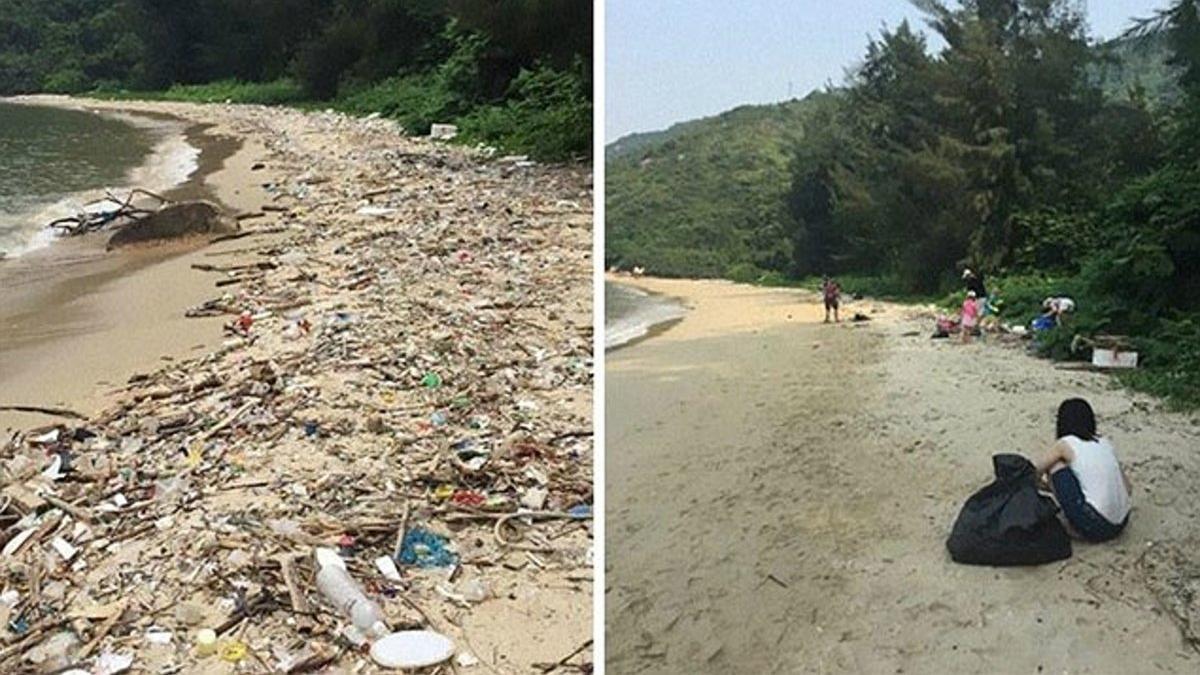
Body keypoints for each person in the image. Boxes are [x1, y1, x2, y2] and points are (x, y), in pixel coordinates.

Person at [1034, 398, 1131, 542]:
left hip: (1098, 525)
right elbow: (1128, 488)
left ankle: (1072, 524)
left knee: (1056, 466)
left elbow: (1037, 470)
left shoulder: (1065, 444)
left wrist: (1044, 486)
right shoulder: (1105, 443)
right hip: (1122, 522)